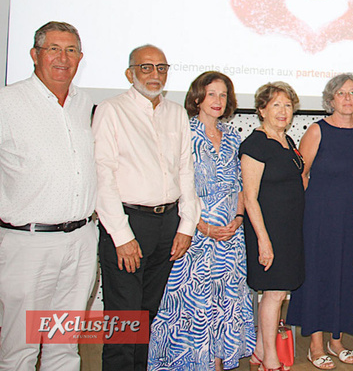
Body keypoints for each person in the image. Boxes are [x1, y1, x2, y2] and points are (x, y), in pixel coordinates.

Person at [93, 44, 201, 371]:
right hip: (128, 224)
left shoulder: (175, 113)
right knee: (124, 318)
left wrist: (186, 226)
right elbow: (102, 176)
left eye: (161, 68)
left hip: (168, 225)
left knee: (145, 315)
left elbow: (185, 171)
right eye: (146, 67)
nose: (155, 74)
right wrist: (121, 236)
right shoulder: (111, 110)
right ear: (130, 73)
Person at [0, 22, 97, 371]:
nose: (63, 58)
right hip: (28, 243)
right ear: (34, 54)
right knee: (20, 349)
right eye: (54, 49)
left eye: (71, 50)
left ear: (80, 58)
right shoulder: (8, 102)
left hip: (81, 240)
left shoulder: (83, 103)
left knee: (65, 346)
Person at [148, 72, 255, 370]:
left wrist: (238, 217)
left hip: (230, 237)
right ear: (197, 98)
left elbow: (239, 184)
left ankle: (218, 363)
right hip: (194, 234)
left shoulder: (233, 135)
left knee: (225, 303)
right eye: (211, 94)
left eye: (223, 95)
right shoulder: (183, 132)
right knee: (192, 306)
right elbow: (176, 184)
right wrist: (201, 225)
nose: (218, 100)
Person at [286, 74, 353, 369]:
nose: (348, 98)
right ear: (330, 99)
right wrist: (310, 212)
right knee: (319, 276)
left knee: (345, 276)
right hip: (320, 219)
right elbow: (301, 174)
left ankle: (336, 341)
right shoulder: (317, 130)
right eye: (341, 93)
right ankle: (315, 344)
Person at [240, 82, 306, 371]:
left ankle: (259, 351)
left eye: (288, 105)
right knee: (274, 294)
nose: (283, 111)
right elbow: (249, 198)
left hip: (289, 230)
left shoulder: (287, 140)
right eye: (276, 105)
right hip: (268, 230)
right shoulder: (255, 145)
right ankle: (270, 360)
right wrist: (263, 241)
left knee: (278, 292)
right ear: (261, 110)